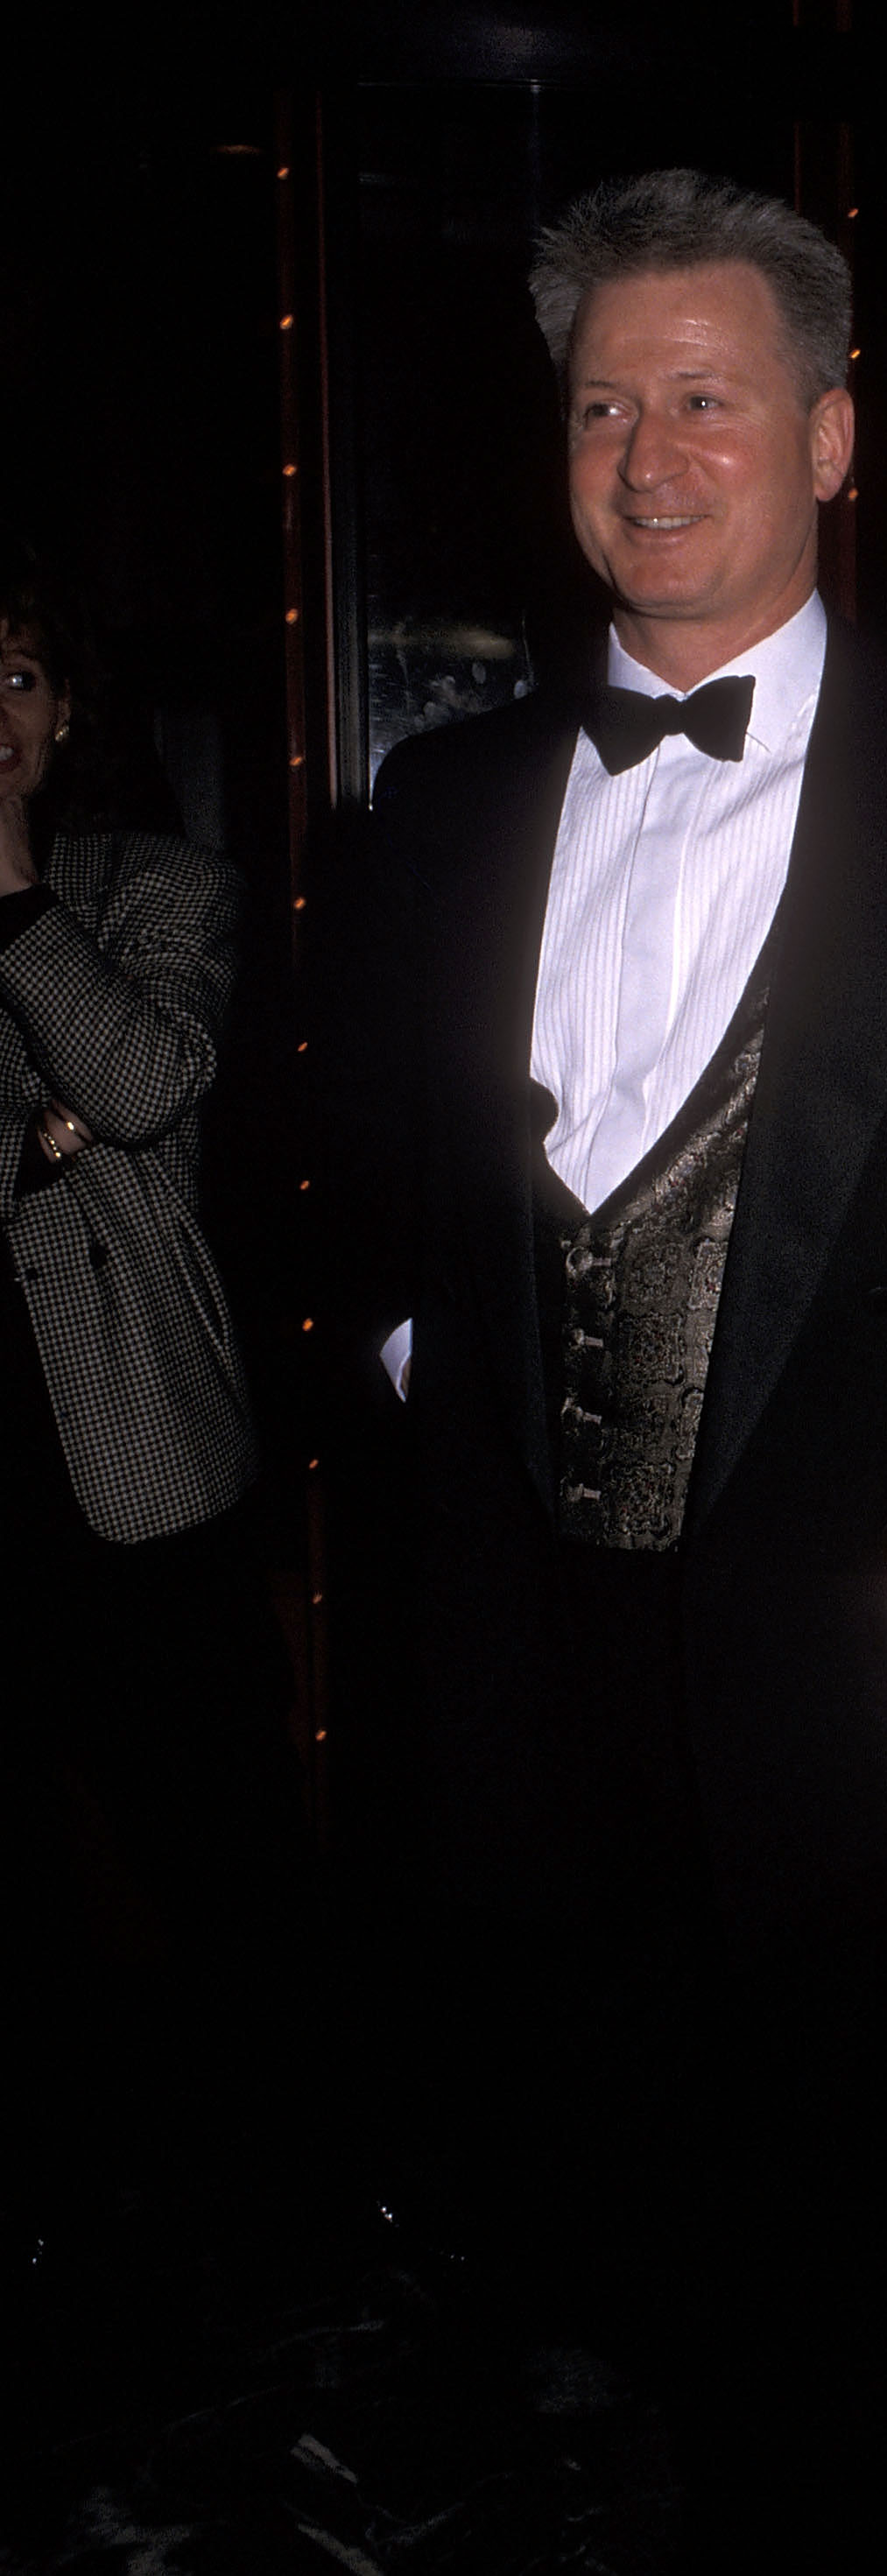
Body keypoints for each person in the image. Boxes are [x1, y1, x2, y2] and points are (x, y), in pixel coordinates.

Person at [340, 170, 887, 2576]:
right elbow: (395, 1193)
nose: (650, 452)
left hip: (855, 1700)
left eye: (708, 396)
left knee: (872, 2294)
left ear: (833, 434)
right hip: (523, 1685)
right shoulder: (450, 799)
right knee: (603, 2257)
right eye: (605, 403)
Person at [0, 563, 287, 2187]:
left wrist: (10, 888)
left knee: (219, 1852)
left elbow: (139, 1073)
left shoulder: (150, 886)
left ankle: (264, 2196)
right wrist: (49, 1138)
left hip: (136, 1450)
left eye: (23, 679)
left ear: (70, 708)